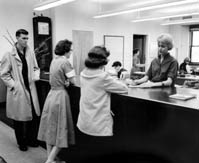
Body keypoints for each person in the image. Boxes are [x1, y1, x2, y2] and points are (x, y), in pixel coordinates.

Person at [77, 46, 128, 162]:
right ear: (104, 61)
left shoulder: (83, 73)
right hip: (98, 124)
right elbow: (124, 89)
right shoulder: (103, 77)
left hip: (85, 121)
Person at [0, 29, 40, 151]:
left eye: (27, 38)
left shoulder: (30, 52)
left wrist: (36, 76)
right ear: (17, 38)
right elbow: (4, 74)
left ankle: (30, 139)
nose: (26, 40)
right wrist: (14, 85)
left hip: (30, 88)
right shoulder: (9, 54)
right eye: (23, 38)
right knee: (18, 119)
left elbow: (36, 67)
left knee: (32, 116)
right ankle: (21, 142)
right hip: (19, 90)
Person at [37, 39, 76, 163]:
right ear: (66, 50)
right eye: (70, 50)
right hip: (60, 97)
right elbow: (74, 81)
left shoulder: (54, 60)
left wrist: (65, 80)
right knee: (62, 129)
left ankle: (51, 158)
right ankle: (49, 161)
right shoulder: (65, 62)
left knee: (51, 129)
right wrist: (68, 82)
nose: (71, 52)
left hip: (51, 95)